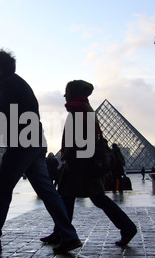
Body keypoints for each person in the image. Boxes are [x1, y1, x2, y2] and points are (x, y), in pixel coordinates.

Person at [0, 48, 81, 254]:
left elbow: (0, 114)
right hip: (35, 141)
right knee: (46, 190)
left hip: (23, 143)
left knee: (1, 190)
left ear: (0, 67)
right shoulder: (16, 83)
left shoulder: (8, 84)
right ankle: (69, 235)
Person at [40, 80, 137, 247]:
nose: (64, 94)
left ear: (74, 92)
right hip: (81, 162)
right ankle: (60, 232)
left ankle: (127, 227)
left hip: (81, 164)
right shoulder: (84, 107)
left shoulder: (78, 109)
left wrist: (70, 155)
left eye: (67, 91)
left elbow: (80, 138)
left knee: (94, 198)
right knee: (69, 198)